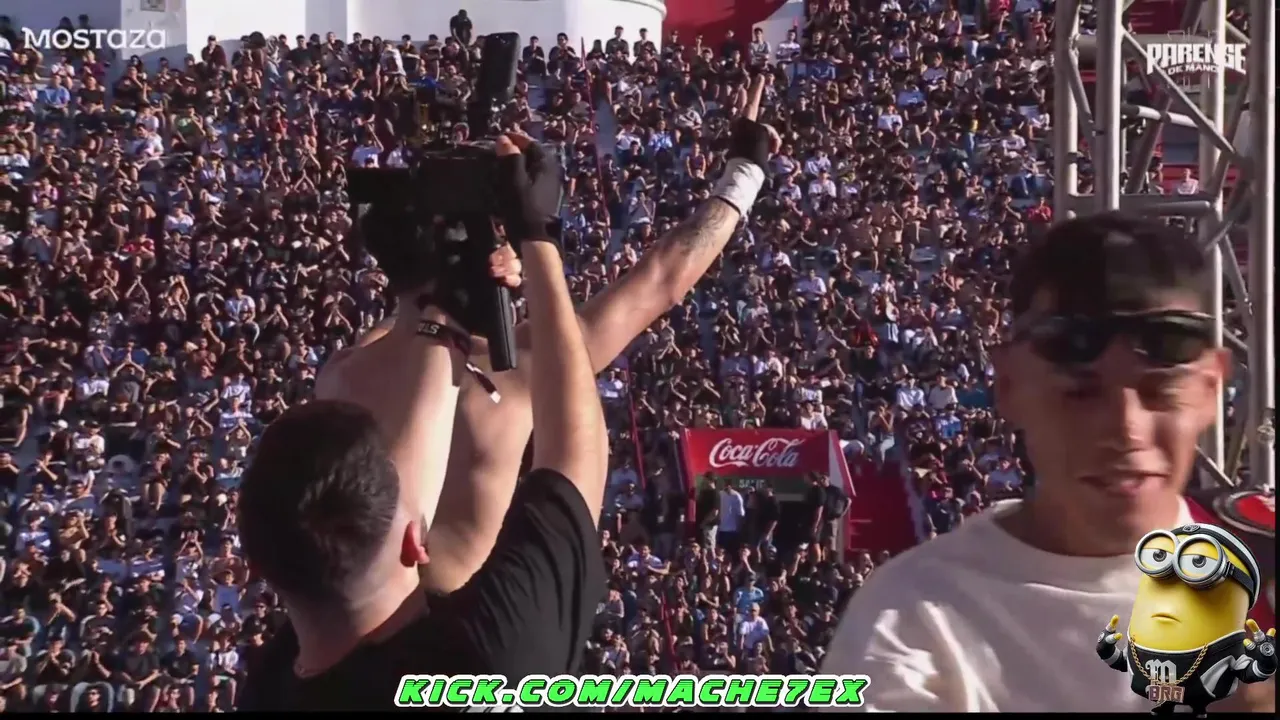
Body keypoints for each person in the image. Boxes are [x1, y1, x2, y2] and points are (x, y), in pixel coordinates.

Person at [820, 213, 1274, 712]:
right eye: (1080, 394)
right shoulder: (912, 623)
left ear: (1211, 389)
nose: (1125, 429)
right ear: (1009, 386)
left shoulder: (1262, 572)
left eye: (1159, 392)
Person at [353, 77, 780, 594]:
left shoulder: (347, 373)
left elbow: (411, 302)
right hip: (473, 619)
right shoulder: (521, 369)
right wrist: (745, 171)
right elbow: (662, 281)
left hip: (369, 622)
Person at [237, 134, 608, 709]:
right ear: (417, 543)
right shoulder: (487, 661)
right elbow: (575, 460)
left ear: (260, 563)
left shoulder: (270, 688)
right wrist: (536, 233)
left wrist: (435, 307)